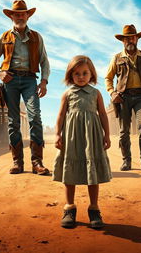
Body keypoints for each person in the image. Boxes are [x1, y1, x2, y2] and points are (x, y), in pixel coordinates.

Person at [0, 0, 50, 175]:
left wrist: (44, 81)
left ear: (28, 15)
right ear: (11, 16)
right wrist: (0, 72)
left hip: (31, 80)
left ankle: (37, 162)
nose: (20, 16)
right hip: (10, 80)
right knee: (13, 121)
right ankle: (17, 163)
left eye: (23, 13)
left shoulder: (37, 37)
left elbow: (44, 61)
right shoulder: (4, 37)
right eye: (17, 14)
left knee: (35, 118)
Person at [53, 55, 112, 229]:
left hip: (92, 138)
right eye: (77, 73)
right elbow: (61, 115)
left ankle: (94, 209)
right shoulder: (67, 94)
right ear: (70, 75)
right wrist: (57, 134)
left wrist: (107, 135)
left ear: (91, 74)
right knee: (69, 171)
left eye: (85, 73)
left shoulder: (96, 93)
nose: (81, 77)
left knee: (92, 171)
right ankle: (69, 208)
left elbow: (102, 114)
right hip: (72, 138)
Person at [105, 24, 141, 172]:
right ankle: (126, 161)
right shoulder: (116, 58)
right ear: (123, 41)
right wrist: (112, 93)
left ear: (137, 39)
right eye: (127, 39)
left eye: (133, 37)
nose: (130, 41)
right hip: (123, 98)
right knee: (124, 131)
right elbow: (108, 78)